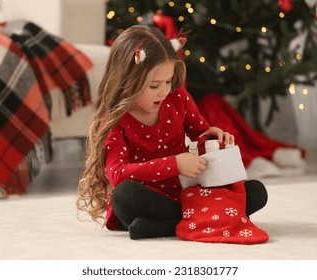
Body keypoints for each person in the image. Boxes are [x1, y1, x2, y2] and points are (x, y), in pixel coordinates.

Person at [77, 25, 267, 240]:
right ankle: (196, 218)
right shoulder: (115, 121)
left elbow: (200, 132)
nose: (164, 90)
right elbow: (117, 174)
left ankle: (164, 226)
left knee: (256, 192)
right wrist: (175, 164)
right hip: (147, 200)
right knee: (124, 196)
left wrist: (214, 135)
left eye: (168, 81)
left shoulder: (178, 99)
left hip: (185, 194)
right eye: (154, 85)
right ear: (127, 82)